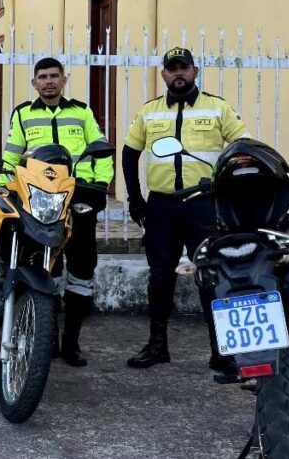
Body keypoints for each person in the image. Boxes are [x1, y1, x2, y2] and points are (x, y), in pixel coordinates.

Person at [121, 47, 250, 372]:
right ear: (163, 74)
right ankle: (157, 345)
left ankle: (222, 351)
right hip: (162, 206)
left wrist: (230, 192)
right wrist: (135, 198)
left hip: (203, 207)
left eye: (183, 68)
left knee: (211, 276)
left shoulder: (217, 107)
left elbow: (242, 147)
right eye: (171, 69)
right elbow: (128, 153)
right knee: (160, 277)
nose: (178, 74)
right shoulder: (150, 111)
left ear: (195, 70)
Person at [0, 57, 113, 367]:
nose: (49, 82)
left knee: (82, 265)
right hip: (39, 201)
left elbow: (100, 146)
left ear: (64, 80)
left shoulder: (81, 111)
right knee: (45, 267)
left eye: (54, 76)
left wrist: (101, 183)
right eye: (43, 77)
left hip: (78, 198)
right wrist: (5, 187)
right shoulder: (23, 113)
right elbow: (11, 155)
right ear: (34, 83)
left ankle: (72, 342)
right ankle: (47, 337)